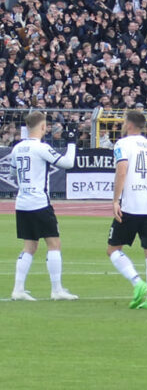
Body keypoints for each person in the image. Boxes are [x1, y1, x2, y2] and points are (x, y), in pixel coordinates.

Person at [10, 111, 77, 301]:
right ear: (41, 127)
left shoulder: (17, 148)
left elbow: (14, 175)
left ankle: (18, 289)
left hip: (22, 202)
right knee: (54, 244)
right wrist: (71, 143)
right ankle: (56, 290)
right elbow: (68, 163)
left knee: (29, 246)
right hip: (39, 201)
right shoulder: (41, 148)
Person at [108, 110, 147, 309]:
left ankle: (137, 283)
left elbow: (122, 170)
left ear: (129, 124)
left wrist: (116, 200)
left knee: (113, 249)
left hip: (131, 204)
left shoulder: (122, 144)